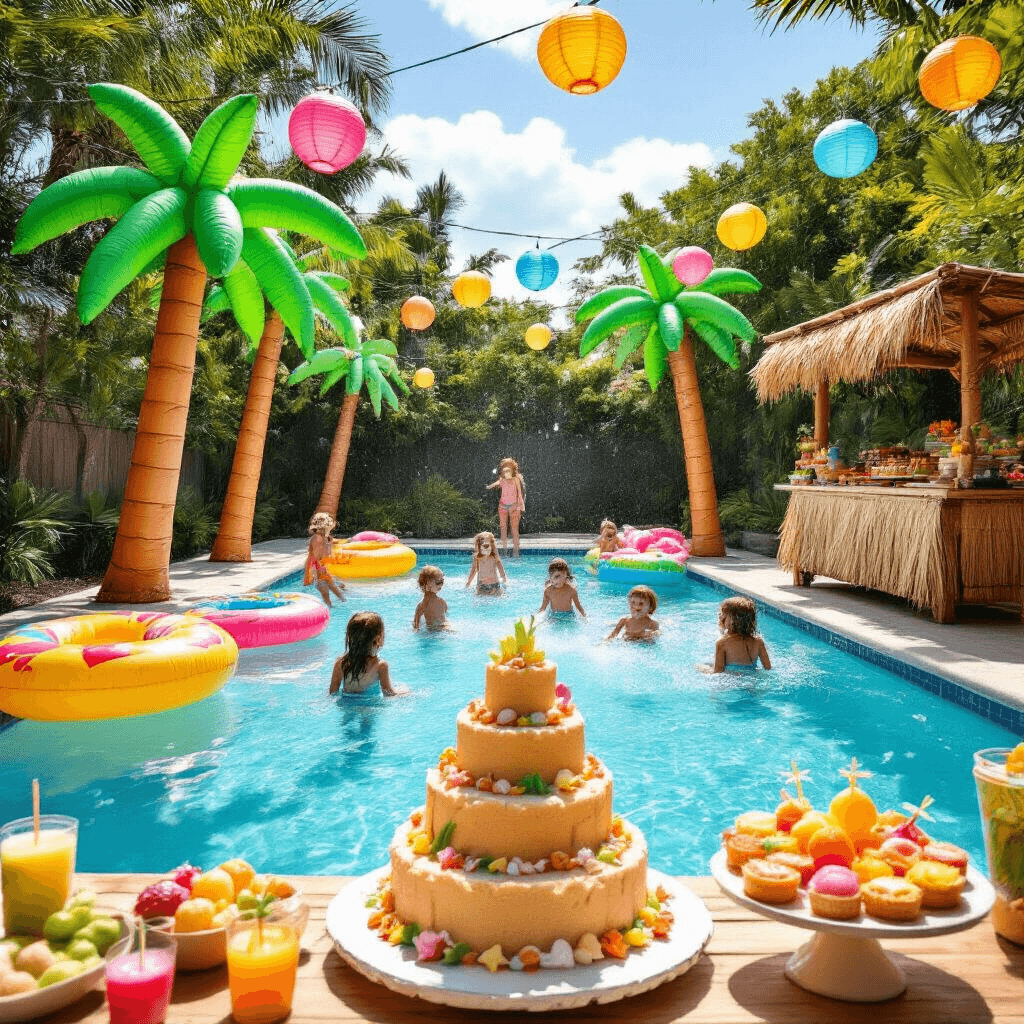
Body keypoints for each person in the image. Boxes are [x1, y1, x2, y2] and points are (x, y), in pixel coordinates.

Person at [329, 611, 403, 696]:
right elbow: (389, 694)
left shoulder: (340, 663)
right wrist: (405, 692)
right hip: (370, 708)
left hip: (346, 707)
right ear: (378, 639)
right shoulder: (380, 665)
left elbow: (333, 693)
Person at [713, 596, 772, 672]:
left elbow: (718, 671)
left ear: (732, 621)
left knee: (702, 667)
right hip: (752, 680)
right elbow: (768, 667)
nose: (720, 616)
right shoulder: (758, 641)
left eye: (723, 614)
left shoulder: (722, 642)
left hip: (731, 679)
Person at [485, 457, 525, 556]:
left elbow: (520, 494)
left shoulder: (516, 480)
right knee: (503, 529)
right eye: (504, 471)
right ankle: (504, 550)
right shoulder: (502, 480)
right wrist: (488, 487)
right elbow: (494, 484)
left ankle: (516, 551)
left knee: (514, 529)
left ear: (512, 471)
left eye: (508, 471)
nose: (506, 473)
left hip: (514, 507)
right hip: (502, 507)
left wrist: (521, 507)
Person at [304, 512, 346, 607]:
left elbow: (335, 542)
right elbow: (312, 557)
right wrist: (308, 575)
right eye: (330, 523)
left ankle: (341, 604)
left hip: (325, 569)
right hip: (318, 570)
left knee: (335, 590)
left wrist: (348, 541)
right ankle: (329, 607)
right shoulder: (316, 538)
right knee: (325, 591)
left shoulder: (326, 537)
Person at [466, 531, 506, 595]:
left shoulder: (494, 556)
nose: (486, 548)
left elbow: (500, 567)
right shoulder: (477, 557)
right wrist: (469, 582)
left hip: (494, 584)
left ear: (492, 545)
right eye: (484, 545)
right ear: (479, 546)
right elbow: (473, 570)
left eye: (487, 545)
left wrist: (504, 579)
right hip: (481, 585)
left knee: (501, 596)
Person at [413, 565, 448, 629]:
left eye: (442, 581)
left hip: (437, 631)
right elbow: (416, 624)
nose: (441, 585)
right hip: (435, 632)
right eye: (438, 582)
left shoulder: (441, 602)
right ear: (427, 585)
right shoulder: (422, 605)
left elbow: (416, 626)